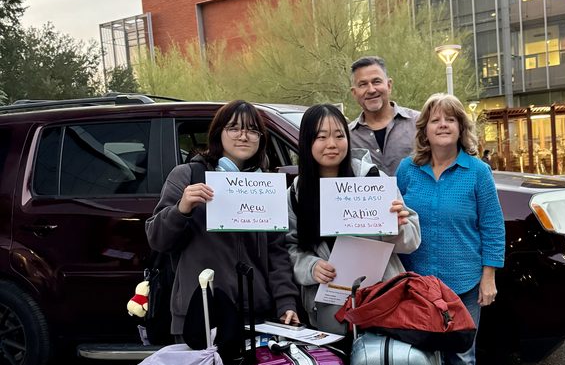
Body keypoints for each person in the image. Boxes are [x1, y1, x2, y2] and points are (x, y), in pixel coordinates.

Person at [396, 93, 505, 365]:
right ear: (424, 128)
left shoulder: (477, 172)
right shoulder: (407, 171)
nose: (442, 125)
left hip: (464, 284)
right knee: (421, 359)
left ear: (461, 128)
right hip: (418, 284)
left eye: (450, 119)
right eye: (435, 119)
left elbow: (492, 226)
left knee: (461, 360)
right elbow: (396, 221)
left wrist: (488, 278)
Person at [146, 100, 300, 339]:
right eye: (234, 128)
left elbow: (276, 253)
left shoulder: (265, 186)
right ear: (219, 133)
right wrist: (182, 209)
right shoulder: (187, 175)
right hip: (199, 314)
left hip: (256, 316)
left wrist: (286, 302)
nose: (244, 136)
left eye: (252, 130)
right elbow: (157, 239)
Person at [286, 104, 420, 335]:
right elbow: (290, 246)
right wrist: (311, 267)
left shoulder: (373, 179)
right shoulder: (297, 192)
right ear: (306, 142)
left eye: (339, 135)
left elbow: (413, 239)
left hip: (381, 300)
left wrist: (397, 228)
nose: (332, 144)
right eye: (321, 137)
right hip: (328, 309)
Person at [348, 56, 420, 175]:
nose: (371, 90)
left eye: (376, 81)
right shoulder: (347, 137)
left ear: (389, 85)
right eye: (363, 84)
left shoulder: (420, 123)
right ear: (354, 93)